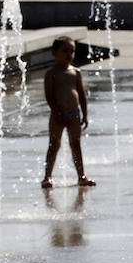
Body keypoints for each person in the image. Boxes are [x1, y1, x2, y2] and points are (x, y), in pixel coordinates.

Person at [42, 37, 95, 190]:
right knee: (54, 144)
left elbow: (82, 94)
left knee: (76, 144)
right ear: (54, 53)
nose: (69, 54)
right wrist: (56, 110)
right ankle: (47, 176)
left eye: (72, 51)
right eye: (64, 51)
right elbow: (49, 95)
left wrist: (85, 114)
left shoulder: (76, 72)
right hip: (57, 115)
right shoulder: (52, 73)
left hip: (73, 114)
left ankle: (81, 176)